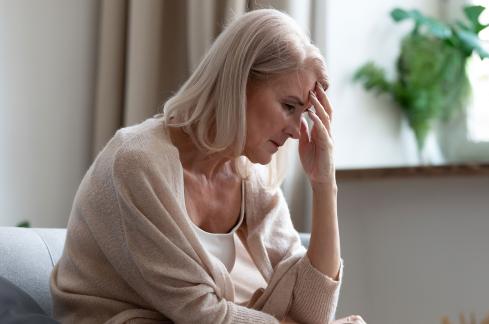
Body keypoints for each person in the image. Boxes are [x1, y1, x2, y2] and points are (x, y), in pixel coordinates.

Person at [50, 8, 365, 324]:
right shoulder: (136, 163)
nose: (298, 130)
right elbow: (202, 315)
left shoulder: (251, 179)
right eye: (288, 107)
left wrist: (324, 184)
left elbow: (314, 313)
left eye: (305, 114)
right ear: (239, 83)